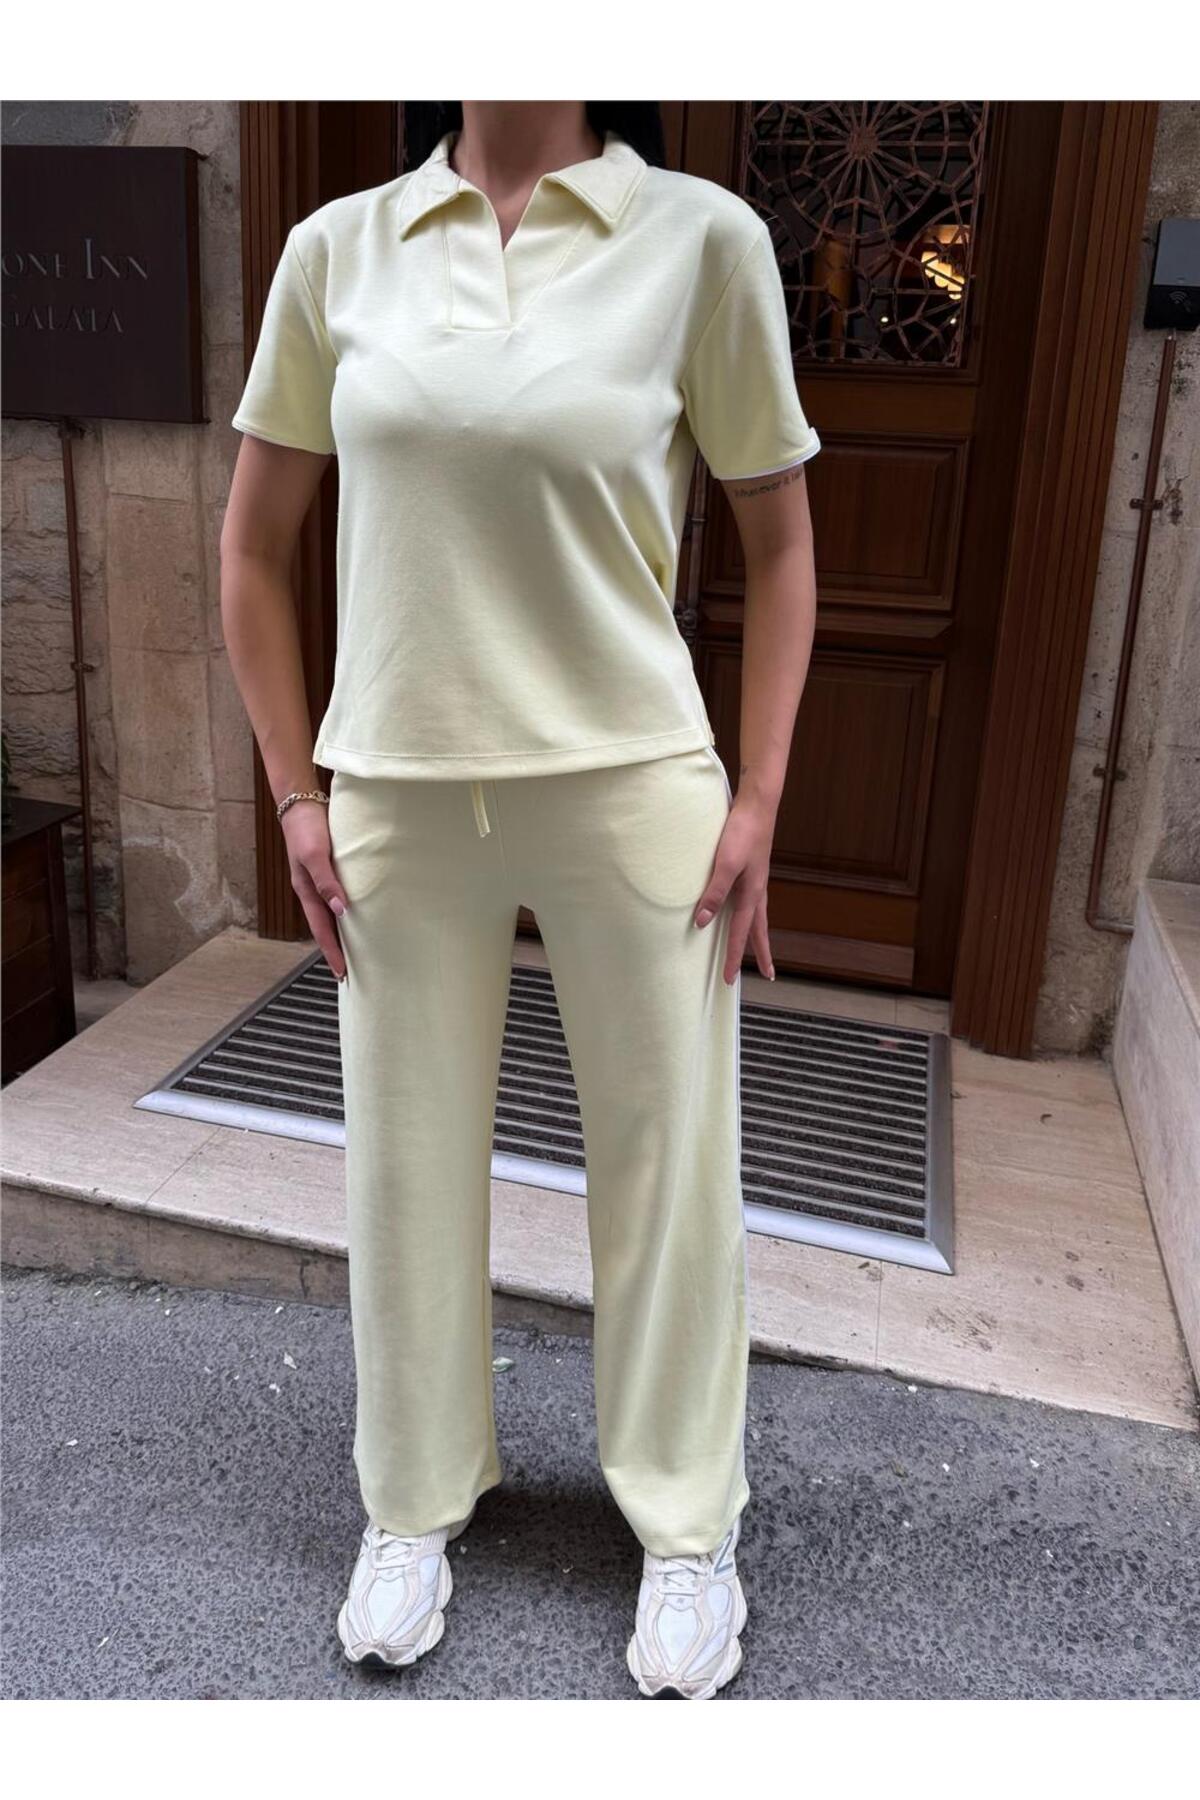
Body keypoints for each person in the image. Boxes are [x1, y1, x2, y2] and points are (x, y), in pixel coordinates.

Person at [220, 99, 819, 1701]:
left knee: (668, 1166)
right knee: (404, 1163)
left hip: (633, 780)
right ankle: (413, 1500)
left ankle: (688, 1525)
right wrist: (294, 790)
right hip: (399, 787)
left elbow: (782, 544)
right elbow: (254, 550)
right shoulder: (336, 252)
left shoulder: (699, 240)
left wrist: (760, 798)